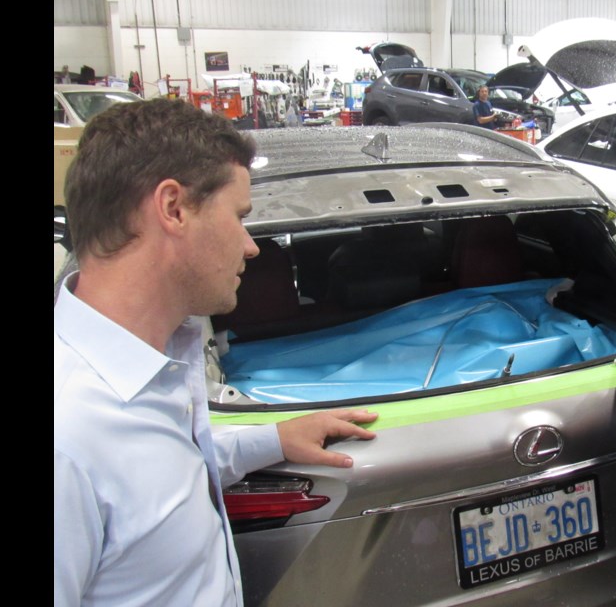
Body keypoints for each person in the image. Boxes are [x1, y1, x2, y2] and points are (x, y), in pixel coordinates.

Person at [54, 98, 379, 605]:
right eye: (239, 216)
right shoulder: (67, 436)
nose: (251, 246)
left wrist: (272, 440)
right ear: (173, 208)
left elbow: (159, 472)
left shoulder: (149, 366)